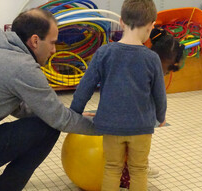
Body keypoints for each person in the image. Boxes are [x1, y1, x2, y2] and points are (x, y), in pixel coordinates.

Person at [0, 8, 98, 191]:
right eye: (52, 43)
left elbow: (18, 108)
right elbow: (59, 119)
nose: (54, 50)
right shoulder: (22, 66)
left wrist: (72, 116)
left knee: (46, 119)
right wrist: (101, 127)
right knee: (49, 128)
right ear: (34, 41)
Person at [70, 0, 165, 190]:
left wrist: (74, 111)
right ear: (151, 25)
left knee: (112, 168)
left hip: (111, 126)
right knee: (138, 169)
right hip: (141, 127)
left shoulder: (104, 53)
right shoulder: (151, 58)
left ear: (121, 21)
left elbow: (85, 86)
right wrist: (160, 117)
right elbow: (159, 94)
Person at [119, 27, 185, 190]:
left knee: (129, 154)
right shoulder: (152, 65)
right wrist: (161, 116)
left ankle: (126, 174)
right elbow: (159, 98)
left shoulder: (145, 59)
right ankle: (128, 176)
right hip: (136, 122)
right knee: (135, 157)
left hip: (124, 118)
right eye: (170, 67)